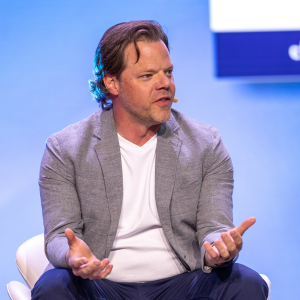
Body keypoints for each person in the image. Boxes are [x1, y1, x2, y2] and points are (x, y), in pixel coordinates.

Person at [32, 20, 268, 299]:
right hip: (100, 285)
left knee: (247, 283)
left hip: (182, 283)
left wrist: (218, 248)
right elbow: (59, 235)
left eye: (168, 72)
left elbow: (214, 228)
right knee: (53, 287)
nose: (165, 84)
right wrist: (73, 258)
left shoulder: (206, 144)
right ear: (112, 82)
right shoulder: (65, 149)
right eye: (147, 76)